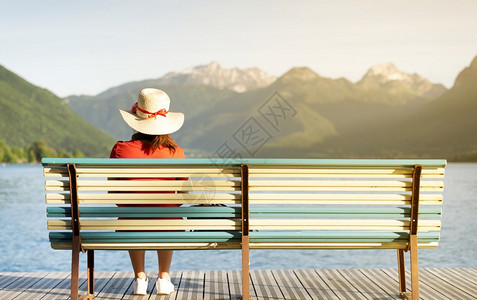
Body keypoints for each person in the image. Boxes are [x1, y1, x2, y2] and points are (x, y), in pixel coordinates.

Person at [110, 88, 185, 295]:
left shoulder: (120, 149)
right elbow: (183, 193)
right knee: (170, 214)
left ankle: (140, 279)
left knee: (130, 215)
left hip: (130, 222)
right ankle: (163, 277)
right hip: (168, 222)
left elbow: (113, 190)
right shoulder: (176, 152)